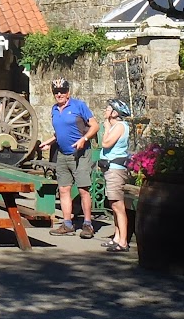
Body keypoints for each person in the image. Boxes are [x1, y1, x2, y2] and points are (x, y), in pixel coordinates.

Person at [43, 78, 98, 238]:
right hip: (62, 153)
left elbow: (95, 126)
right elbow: (60, 131)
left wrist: (84, 139)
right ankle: (67, 224)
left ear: (68, 92)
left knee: (83, 189)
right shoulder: (54, 109)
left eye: (62, 91)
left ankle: (87, 224)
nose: (59, 94)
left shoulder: (78, 106)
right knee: (64, 189)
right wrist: (50, 141)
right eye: (56, 92)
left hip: (80, 154)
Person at [100, 99, 133, 252]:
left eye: (108, 109)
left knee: (118, 205)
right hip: (110, 168)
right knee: (113, 205)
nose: (105, 111)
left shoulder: (119, 126)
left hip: (115, 170)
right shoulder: (117, 126)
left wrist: (106, 128)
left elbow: (106, 144)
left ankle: (123, 242)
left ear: (114, 113)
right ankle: (117, 237)